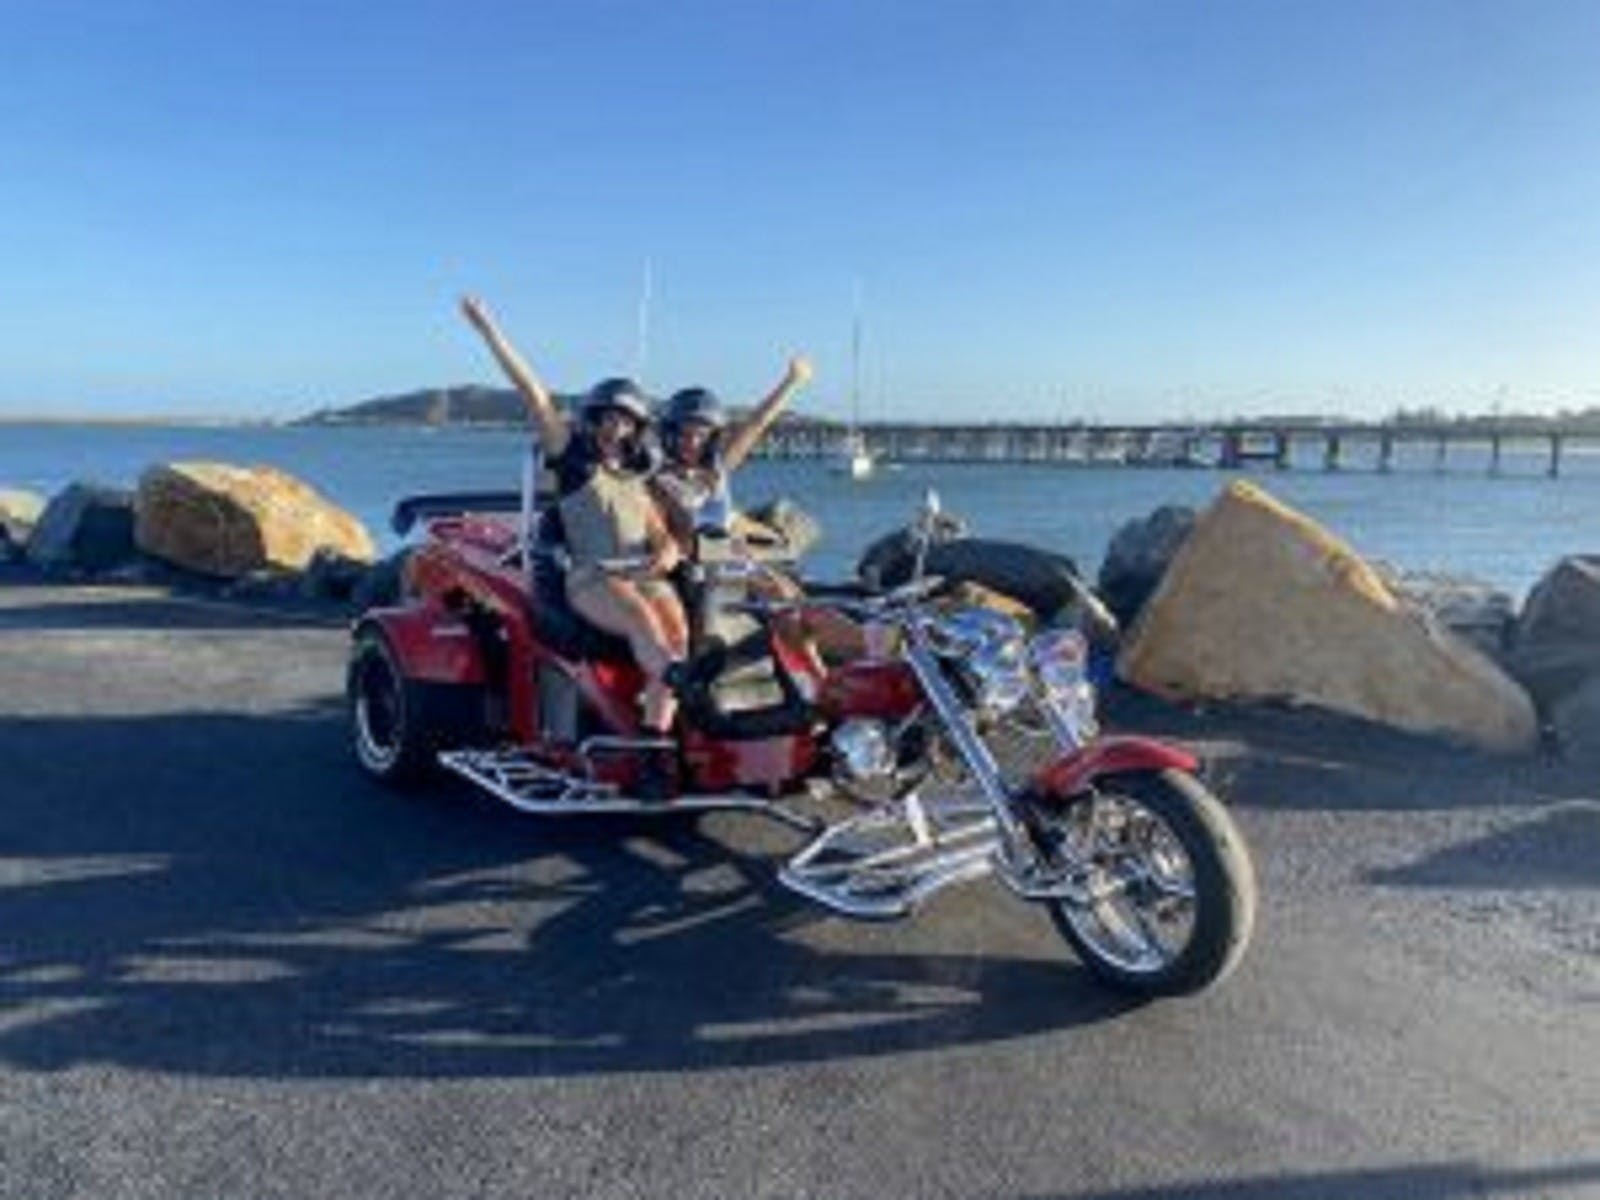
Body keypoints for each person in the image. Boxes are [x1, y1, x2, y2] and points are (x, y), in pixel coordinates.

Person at [460, 296, 687, 793]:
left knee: (677, 635)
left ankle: (653, 747)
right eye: (607, 418)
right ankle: (685, 684)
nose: (615, 428)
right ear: (593, 420)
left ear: (636, 430)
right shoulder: (572, 461)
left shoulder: (634, 480)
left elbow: (662, 536)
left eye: (626, 421)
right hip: (592, 578)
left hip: (644, 576)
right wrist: (489, 331)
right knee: (647, 626)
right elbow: (534, 394)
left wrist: (668, 552)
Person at [654, 359, 867, 670]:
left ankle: (858, 655)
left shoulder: (717, 468)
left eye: (701, 435)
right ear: (670, 434)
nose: (692, 443)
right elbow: (678, 534)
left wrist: (792, 381)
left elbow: (757, 423)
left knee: (795, 601)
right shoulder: (658, 480)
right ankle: (855, 651)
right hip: (697, 564)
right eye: (685, 434)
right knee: (781, 597)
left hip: (727, 556)